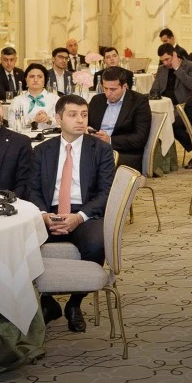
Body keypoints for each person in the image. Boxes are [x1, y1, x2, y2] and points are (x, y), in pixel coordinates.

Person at [19, 94, 115, 333]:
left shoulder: (101, 150)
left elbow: (106, 192)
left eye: (84, 115)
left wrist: (79, 217)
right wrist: (43, 214)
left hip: (85, 212)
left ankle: (75, 303)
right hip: (49, 211)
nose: (80, 120)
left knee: (97, 243)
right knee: (20, 242)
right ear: (58, 118)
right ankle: (47, 302)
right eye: (73, 115)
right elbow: (32, 189)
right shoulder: (42, 150)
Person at [87, 66, 153, 171]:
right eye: (105, 88)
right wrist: (86, 130)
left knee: (89, 162)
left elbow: (140, 138)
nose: (108, 93)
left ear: (124, 86)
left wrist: (109, 140)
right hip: (95, 147)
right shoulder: (97, 100)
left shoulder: (139, 102)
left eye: (113, 89)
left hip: (123, 153)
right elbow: (86, 124)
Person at [151, 43, 192, 151]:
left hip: (183, 107)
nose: (165, 63)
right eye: (162, 60)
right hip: (164, 107)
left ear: (174, 55)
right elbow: (154, 89)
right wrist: (154, 95)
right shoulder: (162, 69)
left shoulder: (191, 66)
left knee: (169, 123)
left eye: (167, 59)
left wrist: (177, 68)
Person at [11, 63, 59, 128]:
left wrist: (49, 120)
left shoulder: (55, 99)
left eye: (39, 77)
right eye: (32, 76)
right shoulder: (17, 100)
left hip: (50, 134)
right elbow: (12, 125)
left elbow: (63, 122)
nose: (35, 80)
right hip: (25, 134)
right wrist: (33, 121)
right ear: (26, 79)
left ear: (45, 80)